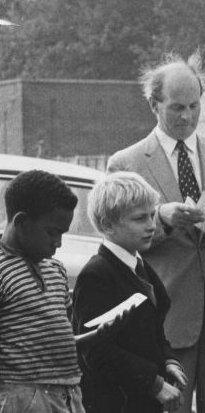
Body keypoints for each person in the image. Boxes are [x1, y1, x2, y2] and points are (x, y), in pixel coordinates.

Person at [107, 52, 205, 413]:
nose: (187, 116)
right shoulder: (125, 164)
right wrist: (161, 219)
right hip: (163, 319)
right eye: (177, 107)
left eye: (195, 106)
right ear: (153, 104)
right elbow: (116, 241)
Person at [0, 170, 129, 412]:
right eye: (52, 232)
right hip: (21, 398)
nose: (58, 243)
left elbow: (60, 342)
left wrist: (96, 336)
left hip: (68, 395)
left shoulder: (55, 270)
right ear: (21, 222)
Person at [72, 172, 188, 412]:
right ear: (107, 225)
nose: (151, 226)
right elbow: (95, 350)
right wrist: (154, 384)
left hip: (140, 399)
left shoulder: (139, 265)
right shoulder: (97, 274)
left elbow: (154, 330)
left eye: (153, 215)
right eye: (139, 219)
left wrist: (168, 360)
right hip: (116, 402)